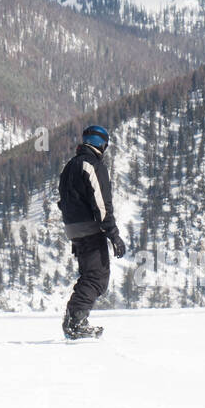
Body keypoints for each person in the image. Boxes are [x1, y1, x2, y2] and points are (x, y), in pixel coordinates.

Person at [57, 125, 126, 340]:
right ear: (101, 143)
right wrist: (113, 234)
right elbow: (101, 204)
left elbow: (63, 200)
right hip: (89, 228)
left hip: (73, 228)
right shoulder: (92, 165)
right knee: (96, 278)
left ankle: (75, 320)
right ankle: (75, 322)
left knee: (90, 275)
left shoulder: (70, 165)